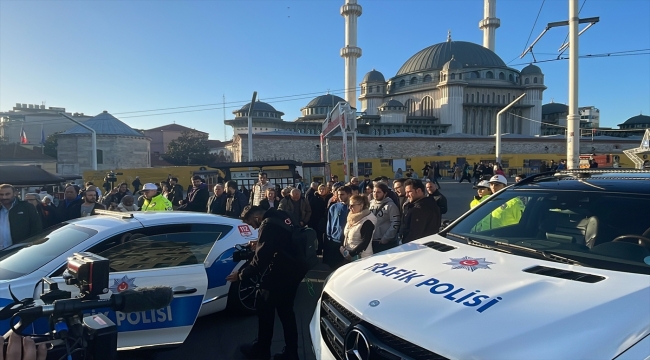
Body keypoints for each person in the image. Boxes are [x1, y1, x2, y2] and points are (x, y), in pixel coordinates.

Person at [228, 206, 306, 360]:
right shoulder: (284, 213)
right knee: (286, 313)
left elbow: (261, 260)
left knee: (264, 308)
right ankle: (291, 353)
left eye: (251, 223)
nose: (253, 227)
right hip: (296, 269)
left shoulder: (267, 225)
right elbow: (283, 238)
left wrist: (241, 275)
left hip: (280, 272)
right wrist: (260, 242)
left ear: (256, 217)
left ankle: (261, 350)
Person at [0, 184, 42, 248]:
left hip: (20, 251)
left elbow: (36, 229)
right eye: (1, 194)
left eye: (7, 194)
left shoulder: (27, 207)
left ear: (15, 194)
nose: (4, 197)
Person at [341, 194, 376, 263]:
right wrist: (342, 247)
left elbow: (365, 242)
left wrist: (351, 254)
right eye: (349, 205)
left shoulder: (368, 221)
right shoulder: (352, 218)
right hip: (349, 254)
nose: (349, 208)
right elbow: (346, 234)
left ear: (361, 205)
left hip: (361, 258)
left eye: (352, 205)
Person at [324, 186, 351, 269]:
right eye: (339, 194)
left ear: (349, 194)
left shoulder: (353, 207)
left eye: (342, 194)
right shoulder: (333, 207)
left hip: (347, 241)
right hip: (334, 240)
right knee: (334, 265)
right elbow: (329, 223)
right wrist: (329, 236)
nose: (340, 196)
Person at [369, 183, 400, 253]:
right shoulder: (370, 203)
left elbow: (395, 223)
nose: (375, 194)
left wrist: (386, 238)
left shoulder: (391, 206)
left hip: (384, 242)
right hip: (371, 241)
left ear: (385, 193)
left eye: (378, 192)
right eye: (374, 192)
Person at [308, 184, 329, 255]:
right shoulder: (314, 198)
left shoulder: (329, 198)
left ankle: (326, 250)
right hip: (316, 220)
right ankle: (319, 250)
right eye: (320, 189)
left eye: (323, 189)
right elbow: (311, 210)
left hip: (327, 220)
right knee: (319, 237)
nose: (321, 191)